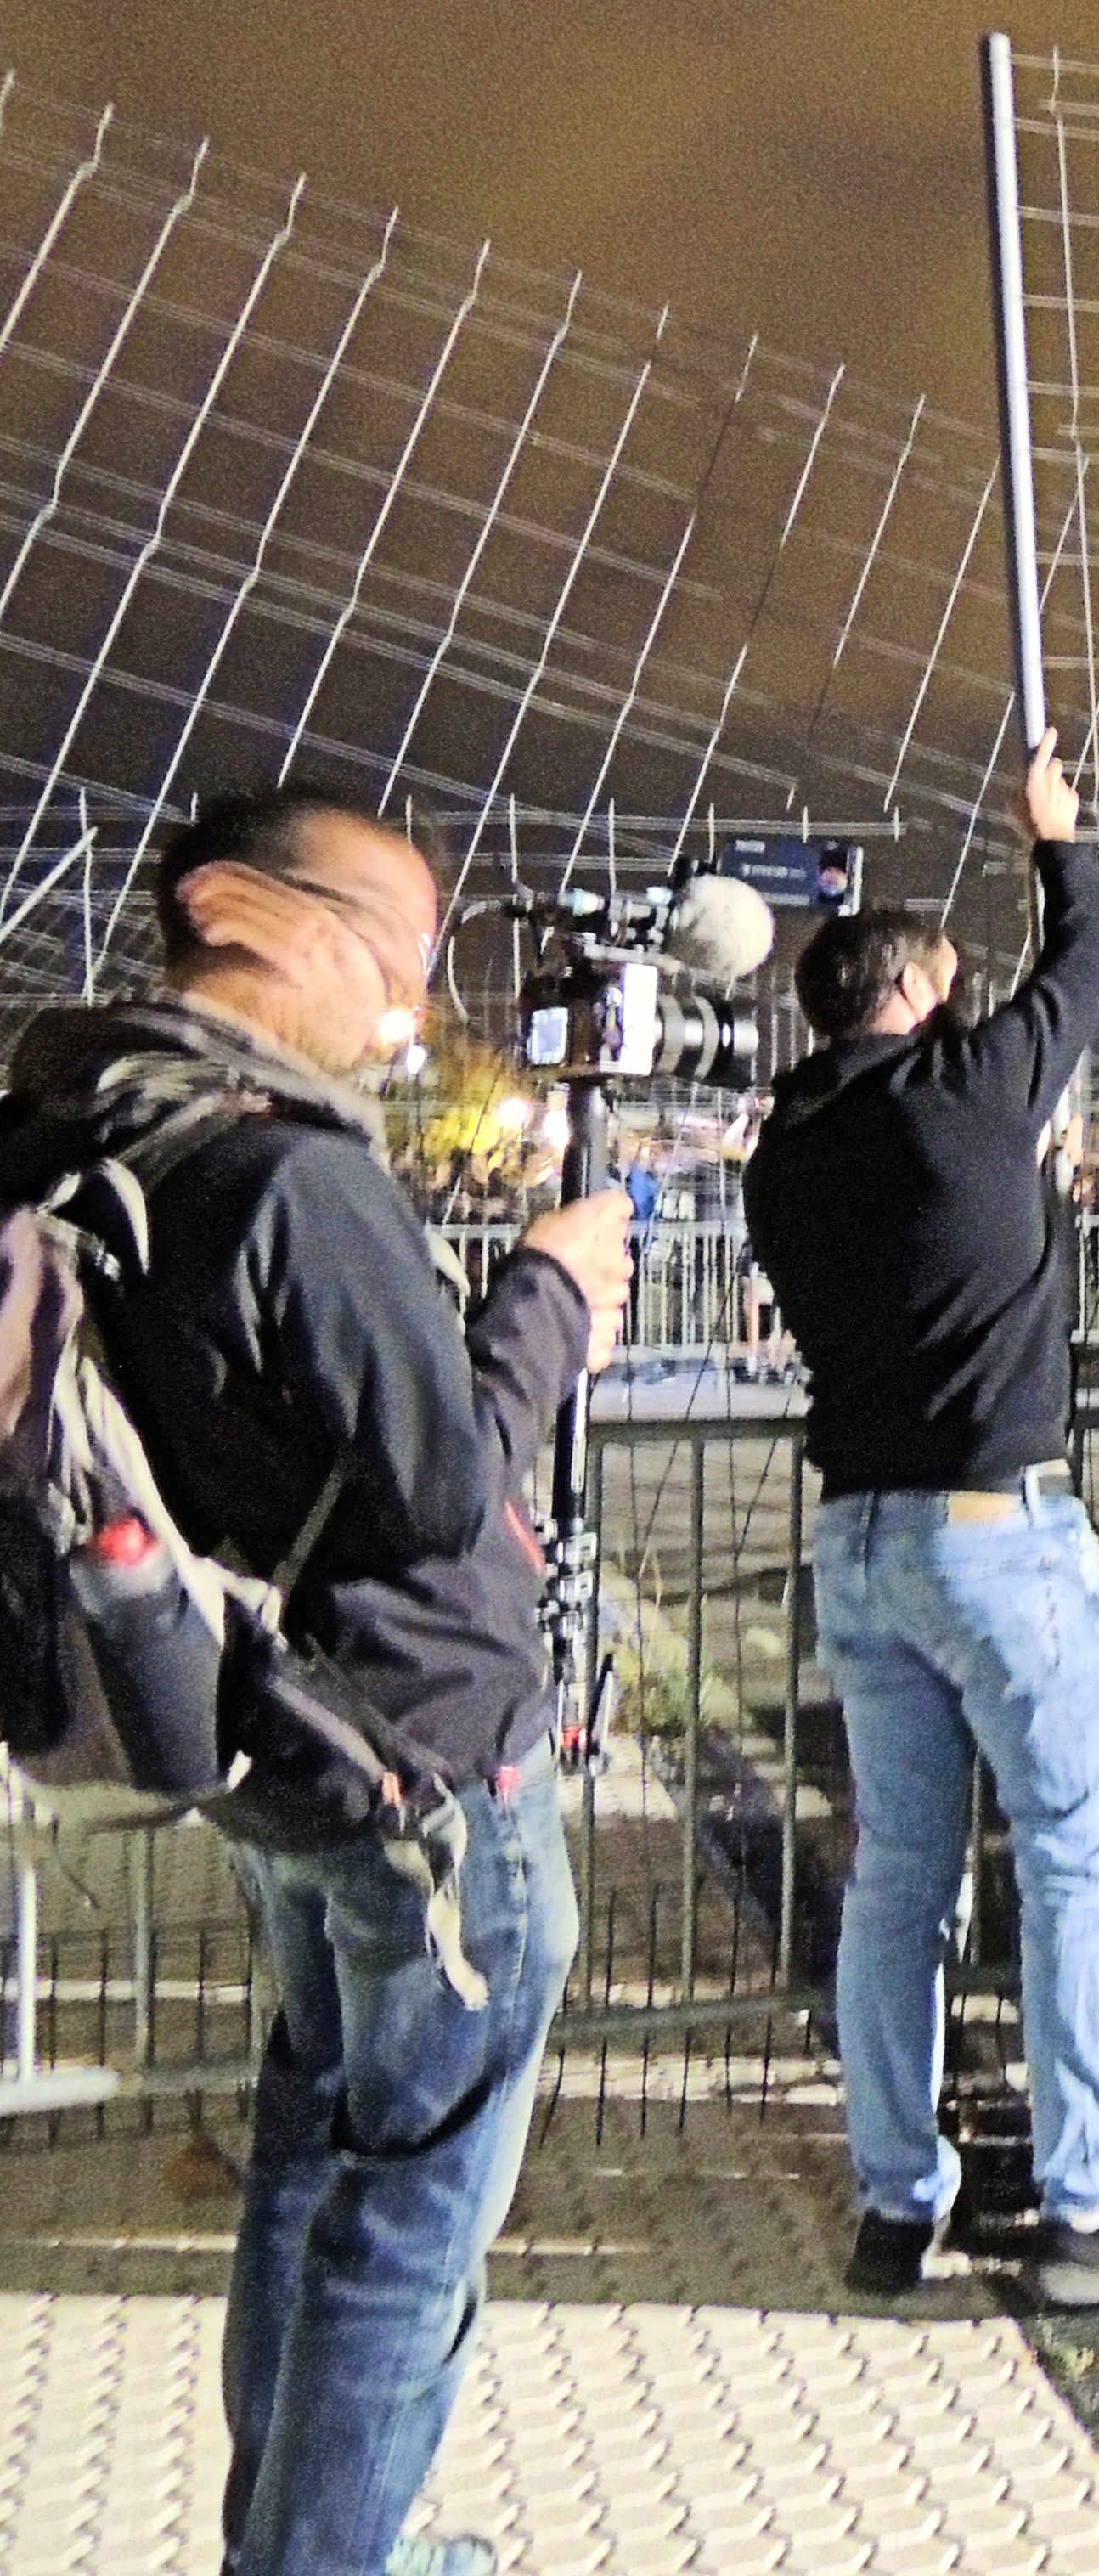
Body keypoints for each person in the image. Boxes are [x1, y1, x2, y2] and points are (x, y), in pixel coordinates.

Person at [2, 788, 632, 2576]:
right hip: (426, 1769)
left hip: (255, 1729)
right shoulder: (293, 1171)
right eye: (393, 956)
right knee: (414, 2212)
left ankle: (297, 2544)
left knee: (312, 2150)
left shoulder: (67, 1136)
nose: (404, 1012)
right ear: (235, 906)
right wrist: (548, 1300)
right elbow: (443, 1494)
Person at [744, 733, 1099, 2307]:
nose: (966, 1002)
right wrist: (1058, 837)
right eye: (947, 985)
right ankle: (1093, 2201)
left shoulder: (786, 1149)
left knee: (899, 1873)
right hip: (996, 1535)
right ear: (903, 992)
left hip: (863, 1542)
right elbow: (1085, 960)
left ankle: (899, 2202)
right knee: (1073, 1865)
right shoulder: (961, 1092)